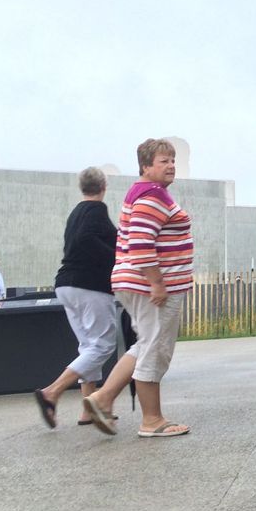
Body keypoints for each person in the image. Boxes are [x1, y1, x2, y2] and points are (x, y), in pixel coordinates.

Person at [81, 139, 194, 436]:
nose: (171, 166)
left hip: (138, 283)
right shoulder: (151, 196)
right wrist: (157, 283)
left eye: (172, 160)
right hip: (150, 286)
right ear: (145, 166)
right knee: (155, 348)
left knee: (144, 344)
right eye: (163, 161)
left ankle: (102, 398)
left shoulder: (147, 194)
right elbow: (141, 243)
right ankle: (152, 420)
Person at [32, 168, 119, 429]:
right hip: (90, 284)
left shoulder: (75, 213)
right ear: (103, 185)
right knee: (103, 345)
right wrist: (116, 258)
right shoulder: (97, 211)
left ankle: (87, 410)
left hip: (66, 284)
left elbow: (78, 240)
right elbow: (87, 240)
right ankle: (52, 391)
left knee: (89, 345)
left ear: (82, 187)